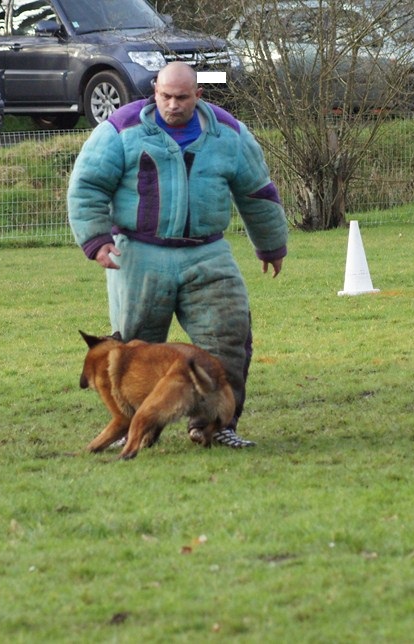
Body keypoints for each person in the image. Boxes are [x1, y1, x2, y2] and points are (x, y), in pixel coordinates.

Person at [68, 62, 288, 447]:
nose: (173, 104)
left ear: (198, 95)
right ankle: (137, 428)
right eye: (165, 96)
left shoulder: (229, 133)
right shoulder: (120, 129)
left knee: (228, 340)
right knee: (135, 350)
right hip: (138, 253)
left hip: (207, 252)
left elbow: (257, 192)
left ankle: (216, 426)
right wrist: (96, 238)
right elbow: (87, 185)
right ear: (154, 91)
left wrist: (270, 244)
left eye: (182, 97)